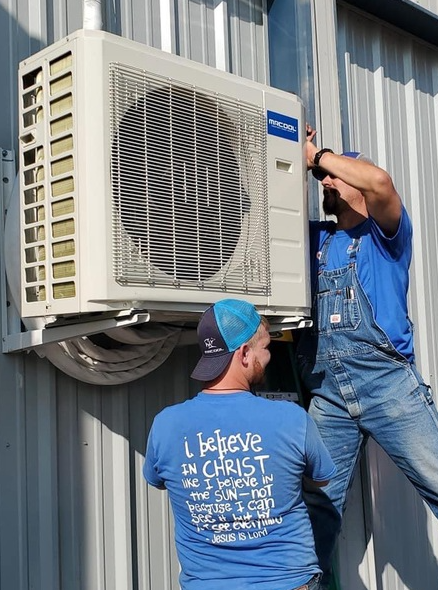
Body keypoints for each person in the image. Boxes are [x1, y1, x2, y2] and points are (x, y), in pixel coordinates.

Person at [297, 126, 438, 589]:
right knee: (313, 512)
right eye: (322, 178)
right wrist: (287, 151)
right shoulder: (315, 239)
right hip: (328, 394)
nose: (325, 183)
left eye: (335, 177)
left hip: (387, 384)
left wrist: (319, 156)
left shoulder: (387, 236)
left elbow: (380, 183)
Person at [144, 298, 336, 590]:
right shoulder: (291, 419)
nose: (269, 357)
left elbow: (158, 481)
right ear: (245, 353)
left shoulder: (165, 425)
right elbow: (320, 480)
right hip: (287, 583)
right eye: (266, 348)